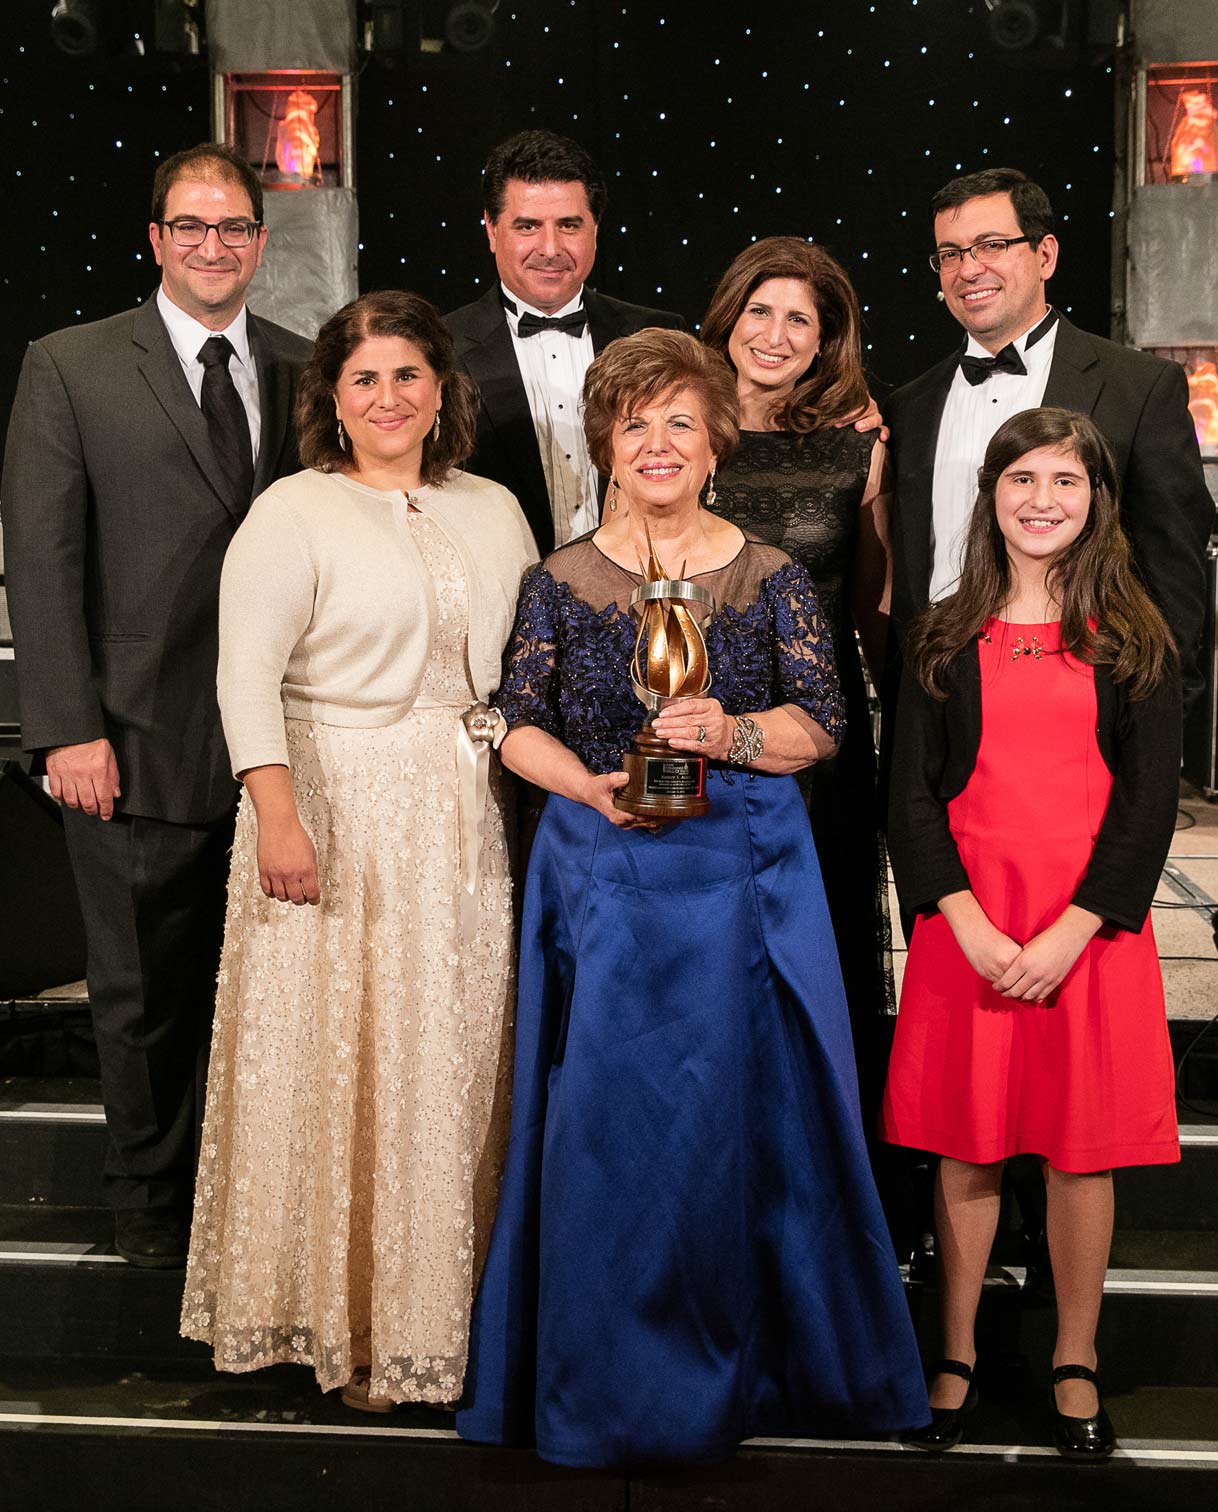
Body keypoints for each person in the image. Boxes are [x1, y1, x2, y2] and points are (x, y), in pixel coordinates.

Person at [455, 328, 928, 1467]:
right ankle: (605, 1378)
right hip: (604, 876)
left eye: (680, 421)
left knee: (738, 1124)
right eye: (635, 423)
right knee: (610, 1133)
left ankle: (759, 1367)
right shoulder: (556, 581)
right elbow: (512, 723)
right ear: (605, 444)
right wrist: (589, 786)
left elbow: (825, 722)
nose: (658, 443)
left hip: (741, 878)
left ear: (716, 440)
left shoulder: (769, 577)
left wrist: (734, 731)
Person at [180, 291, 537, 1410]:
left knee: (448, 1064)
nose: (389, 398)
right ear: (331, 399)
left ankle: (438, 1320)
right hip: (331, 803)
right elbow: (246, 676)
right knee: (343, 1066)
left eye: (409, 376)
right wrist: (278, 815)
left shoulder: (493, 508)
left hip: (465, 816)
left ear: (444, 392)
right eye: (364, 379)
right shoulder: (293, 510)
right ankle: (337, 1322)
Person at [0, 143, 311, 1268]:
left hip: (281, 744)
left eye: (235, 229)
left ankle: (253, 1208)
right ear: (156, 240)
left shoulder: (305, 365)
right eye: (193, 227)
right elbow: (40, 561)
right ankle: (148, 1213)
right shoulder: (72, 365)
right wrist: (66, 727)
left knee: (270, 996)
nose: (214, 247)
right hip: (127, 738)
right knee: (141, 995)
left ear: (262, 245)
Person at [882, 407, 1181, 1460]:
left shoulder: (1136, 635)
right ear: (992, 495)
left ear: (1097, 499)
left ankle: (1075, 1354)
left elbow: (1149, 806)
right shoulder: (940, 632)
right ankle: (955, 1351)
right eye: (1022, 481)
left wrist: (1072, 931)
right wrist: (958, 917)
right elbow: (908, 800)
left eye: (1065, 481)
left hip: (1086, 934)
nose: (1042, 501)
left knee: (1077, 1152)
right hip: (971, 924)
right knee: (966, 1144)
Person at [701, 237, 894, 1123]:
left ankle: (826, 1184)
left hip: (818, 742)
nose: (775, 335)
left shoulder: (862, 447)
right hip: (690, 727)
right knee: (707, 959)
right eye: (761, 311)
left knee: (820, 951)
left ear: (826, 341)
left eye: (800, 320)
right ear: (730, 315)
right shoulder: (675, 427)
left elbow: (872, 608)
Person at [886, 167, 1211, 688]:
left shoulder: (1140, 389)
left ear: (1045, 256)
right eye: (950, 253)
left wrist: (1160, 729)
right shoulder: (908, 407)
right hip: (935, 699)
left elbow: (1175, 581)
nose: (968, 269)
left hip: (1085, 703)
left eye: (990, 245)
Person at [445, 128, 686, 555]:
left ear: (595, 229)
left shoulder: (659, 337)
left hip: (638, 598)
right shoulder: (438, 350)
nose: (550, 248)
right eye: (528, 226)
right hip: (504, 600)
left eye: (569, 225)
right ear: (492, 229)